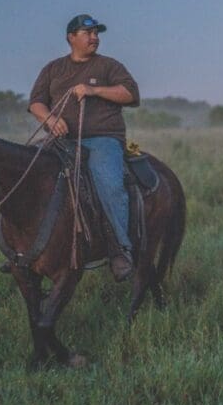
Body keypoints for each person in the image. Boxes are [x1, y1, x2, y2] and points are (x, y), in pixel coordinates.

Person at [28, 14, 141, 282]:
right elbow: (36, 103)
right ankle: (24, 249)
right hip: (60, 141)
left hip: (101, 139)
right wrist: (51, 119)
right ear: (71, 38)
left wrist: (95, 91)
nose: (95, 38)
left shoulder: (109, 66)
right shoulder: (53, 69)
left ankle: (121, 250)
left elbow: (131, 94)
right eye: (88, 33)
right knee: (28, 171)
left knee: (110, 185)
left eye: (96, 33)